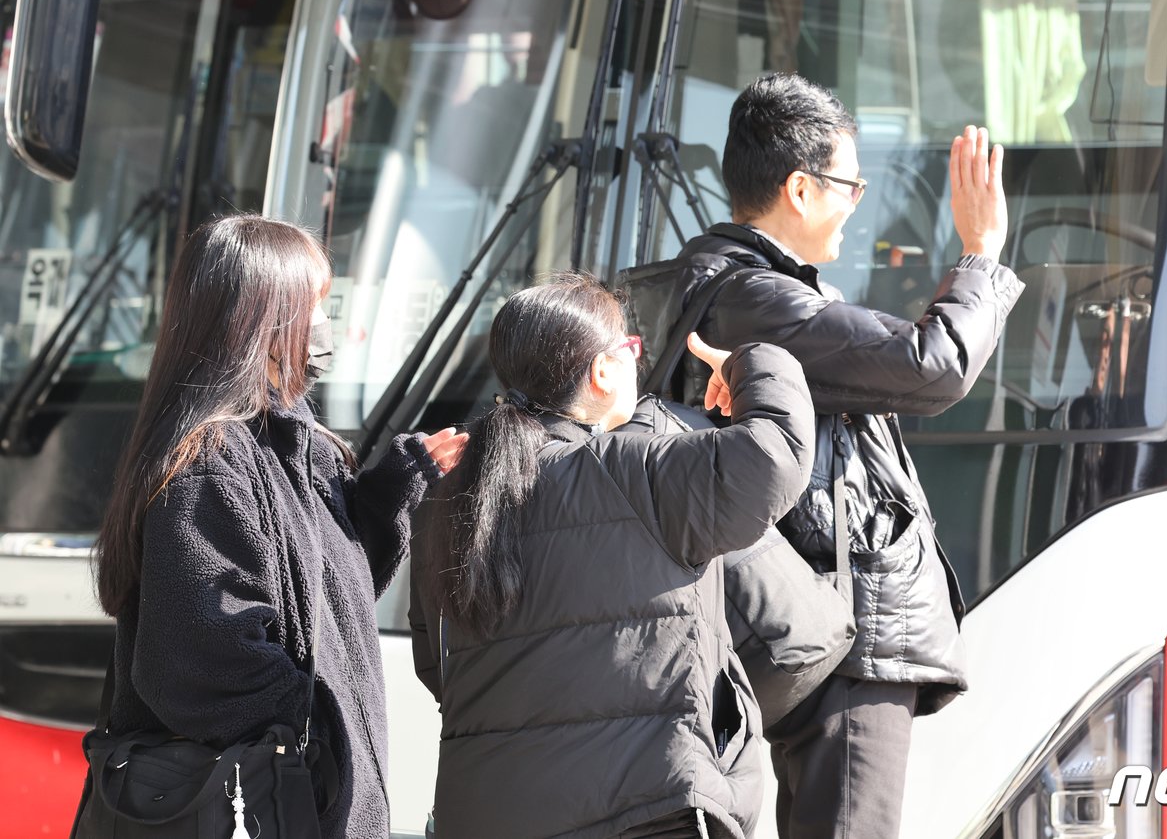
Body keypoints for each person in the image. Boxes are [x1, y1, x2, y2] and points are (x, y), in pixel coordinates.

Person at [626, 73, 1025, 838]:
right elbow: (931, 364)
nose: (858, 201)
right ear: (800, 189)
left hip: (809, 618)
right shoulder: (756, 298)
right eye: (849, 183)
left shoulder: (733, 288)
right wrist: (981, 254)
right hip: (842, 626)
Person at [86, 215, 468, 839]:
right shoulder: (208, 460)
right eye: (314, 305)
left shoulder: (294, 442)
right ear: (258, 318)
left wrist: (396, 484)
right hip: (260, 806)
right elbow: (197, 656)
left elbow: (324, 605)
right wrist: (317, 716)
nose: (326, 325)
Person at [407, 274, 815, 838]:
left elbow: (438, 666)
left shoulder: (444, 500)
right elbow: (777, 456)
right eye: (630, 347)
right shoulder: (635, 468)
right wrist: (752, 364)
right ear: (602, 372)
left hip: (480, 813)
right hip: (641, 810)